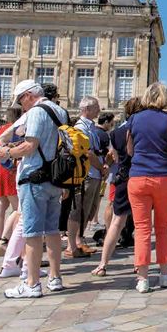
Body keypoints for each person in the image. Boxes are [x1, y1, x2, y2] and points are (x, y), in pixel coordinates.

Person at [0, 80, 67, 299]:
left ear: (28, 95)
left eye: (20, 101)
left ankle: (32, 283)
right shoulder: (60, 111)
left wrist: (7, 152)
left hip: (35, 177)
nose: (20, 106)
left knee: (32, 232)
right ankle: (55, 278)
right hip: (56, 177)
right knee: (52, 231)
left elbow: (30, 146)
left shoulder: (36, 112)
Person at [127, 82, 167, 293]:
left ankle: (142, 279)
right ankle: (165, 274)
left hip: (138, 176)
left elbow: (129, 150)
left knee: (142, 228)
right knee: (163, 227)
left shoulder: (134, 119)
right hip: (164, 177)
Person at [92, 98, 141, 277]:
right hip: (141, 176)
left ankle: (102, 264)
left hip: (123, 177)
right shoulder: (143, 130)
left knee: (116, 222)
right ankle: (139, 264)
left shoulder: (116, 133)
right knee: (142, 224)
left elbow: (115, 157)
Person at [65, 97, 106, 258]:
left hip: (94, 172)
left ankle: (79, 240)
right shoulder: (81, 127)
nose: (99, 110)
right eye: (96, 107)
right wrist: (100, 167)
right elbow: (87, 152)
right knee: (80, 209)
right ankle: (75, 243)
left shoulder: (91, 127)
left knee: (89, 209)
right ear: (86, 109)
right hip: (87, 174)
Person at [0, 106, 22, 255]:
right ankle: (5, 240)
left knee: (0, 205)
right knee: (18, 208)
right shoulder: (19, 129)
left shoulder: (1, 128)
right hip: (11, 169)